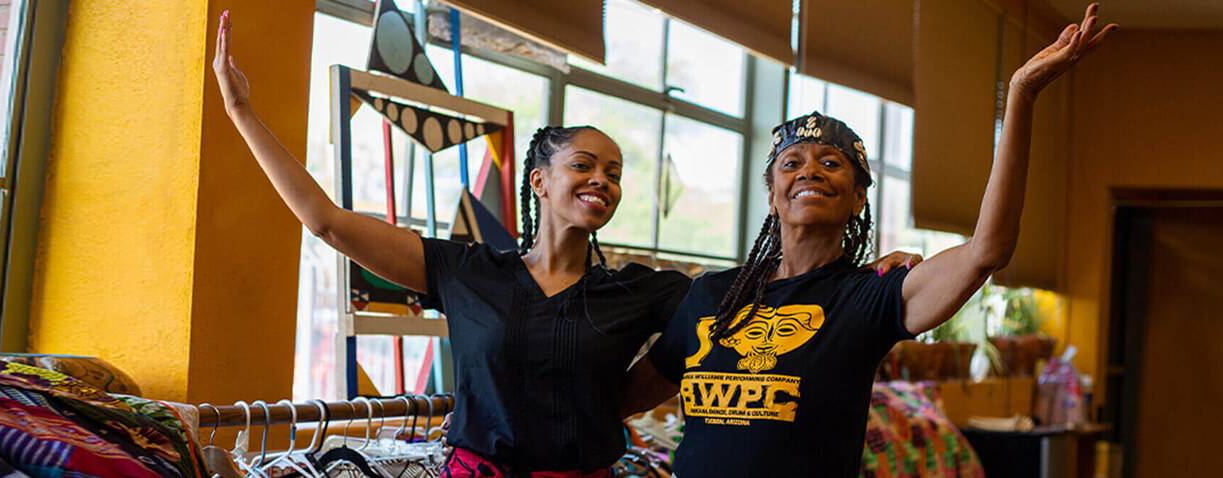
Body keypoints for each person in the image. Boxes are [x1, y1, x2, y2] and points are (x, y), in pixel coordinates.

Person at [212, 11, 919, 476]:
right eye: (584, 166)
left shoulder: (651, 291)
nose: (603, 181)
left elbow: (761, 294)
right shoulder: (465, 271)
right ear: (540, 180)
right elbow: (327, 221)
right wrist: (243, 112)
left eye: (615, 173)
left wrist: (879, 273)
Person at [627, 4, 1116, 477]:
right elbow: (620, 401)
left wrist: (1020, 96)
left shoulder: (867, 295)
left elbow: (987, 250)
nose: (809, 170)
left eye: (831, 162)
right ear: (772, 196)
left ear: (858, 199)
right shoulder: (712, 295)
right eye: (791, 163)